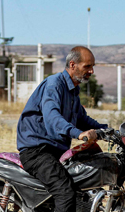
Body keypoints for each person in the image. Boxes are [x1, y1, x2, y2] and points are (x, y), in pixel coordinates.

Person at [17, 46, 107, 212]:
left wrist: (109, 131)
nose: (92, 71)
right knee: (65, 192)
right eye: (87, 66)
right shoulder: (54, 84)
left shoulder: (72, 90)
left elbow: (82, 119)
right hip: (37, 151)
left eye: (92, 66)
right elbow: (52, 118)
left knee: (83, 189)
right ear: (73, 65)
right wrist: (79, 134)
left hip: (55, 152)